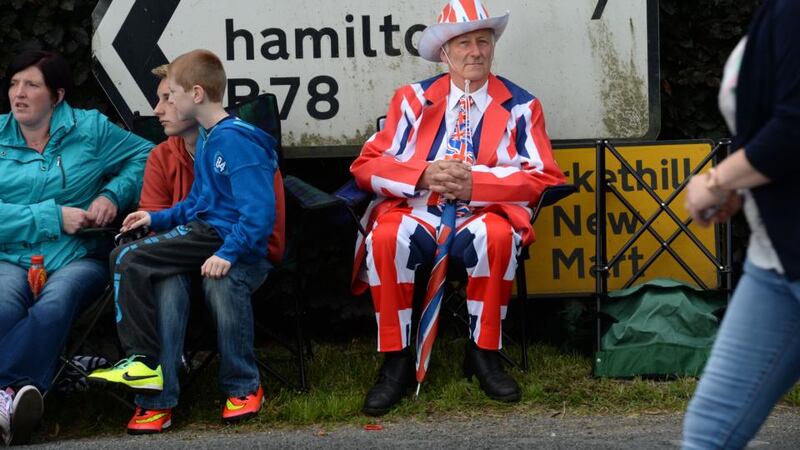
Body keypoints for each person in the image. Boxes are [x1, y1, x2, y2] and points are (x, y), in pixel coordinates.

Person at [350, 0, 565, 416]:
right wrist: (425, 175)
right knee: (389, 237)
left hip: (484, 212)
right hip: (416, 209)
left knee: (496, 237)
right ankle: (396, 358)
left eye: (483, 41)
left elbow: (543, 177)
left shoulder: (522, 106)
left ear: (493, 48)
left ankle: (483, 351)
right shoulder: (412, 100)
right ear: (445, 53)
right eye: (464, 43)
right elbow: (367, 166)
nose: (475, 52)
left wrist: (475, 183)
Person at [88, 49, 279, 433]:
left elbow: (259, 213)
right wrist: (156, 217)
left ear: (195, 94)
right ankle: (155, 389)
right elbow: (199, 201)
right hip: (207, 232)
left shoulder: (234, 141)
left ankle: (143, 362)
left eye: (170, 94)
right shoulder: (211, 138)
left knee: (126, 259)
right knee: (132, 258)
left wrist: (228, 253)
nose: (165, 104)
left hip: (222, 239)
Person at [0, 49, 152, 445]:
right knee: (1, 306)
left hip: (77, 256)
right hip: (10, 256)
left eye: (31, 85)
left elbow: (148, 154)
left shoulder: (91, 130)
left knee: (55, 303)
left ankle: (6, 393)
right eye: (14, 84)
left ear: (58, 95)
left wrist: (113, 194)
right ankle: (16, 393)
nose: (18, 93)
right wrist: (52, 217)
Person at [682, 0, 800, 448]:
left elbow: (794, 129)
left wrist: (716, 180)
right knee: (710, 433)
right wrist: (742, 183)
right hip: (775, 264)